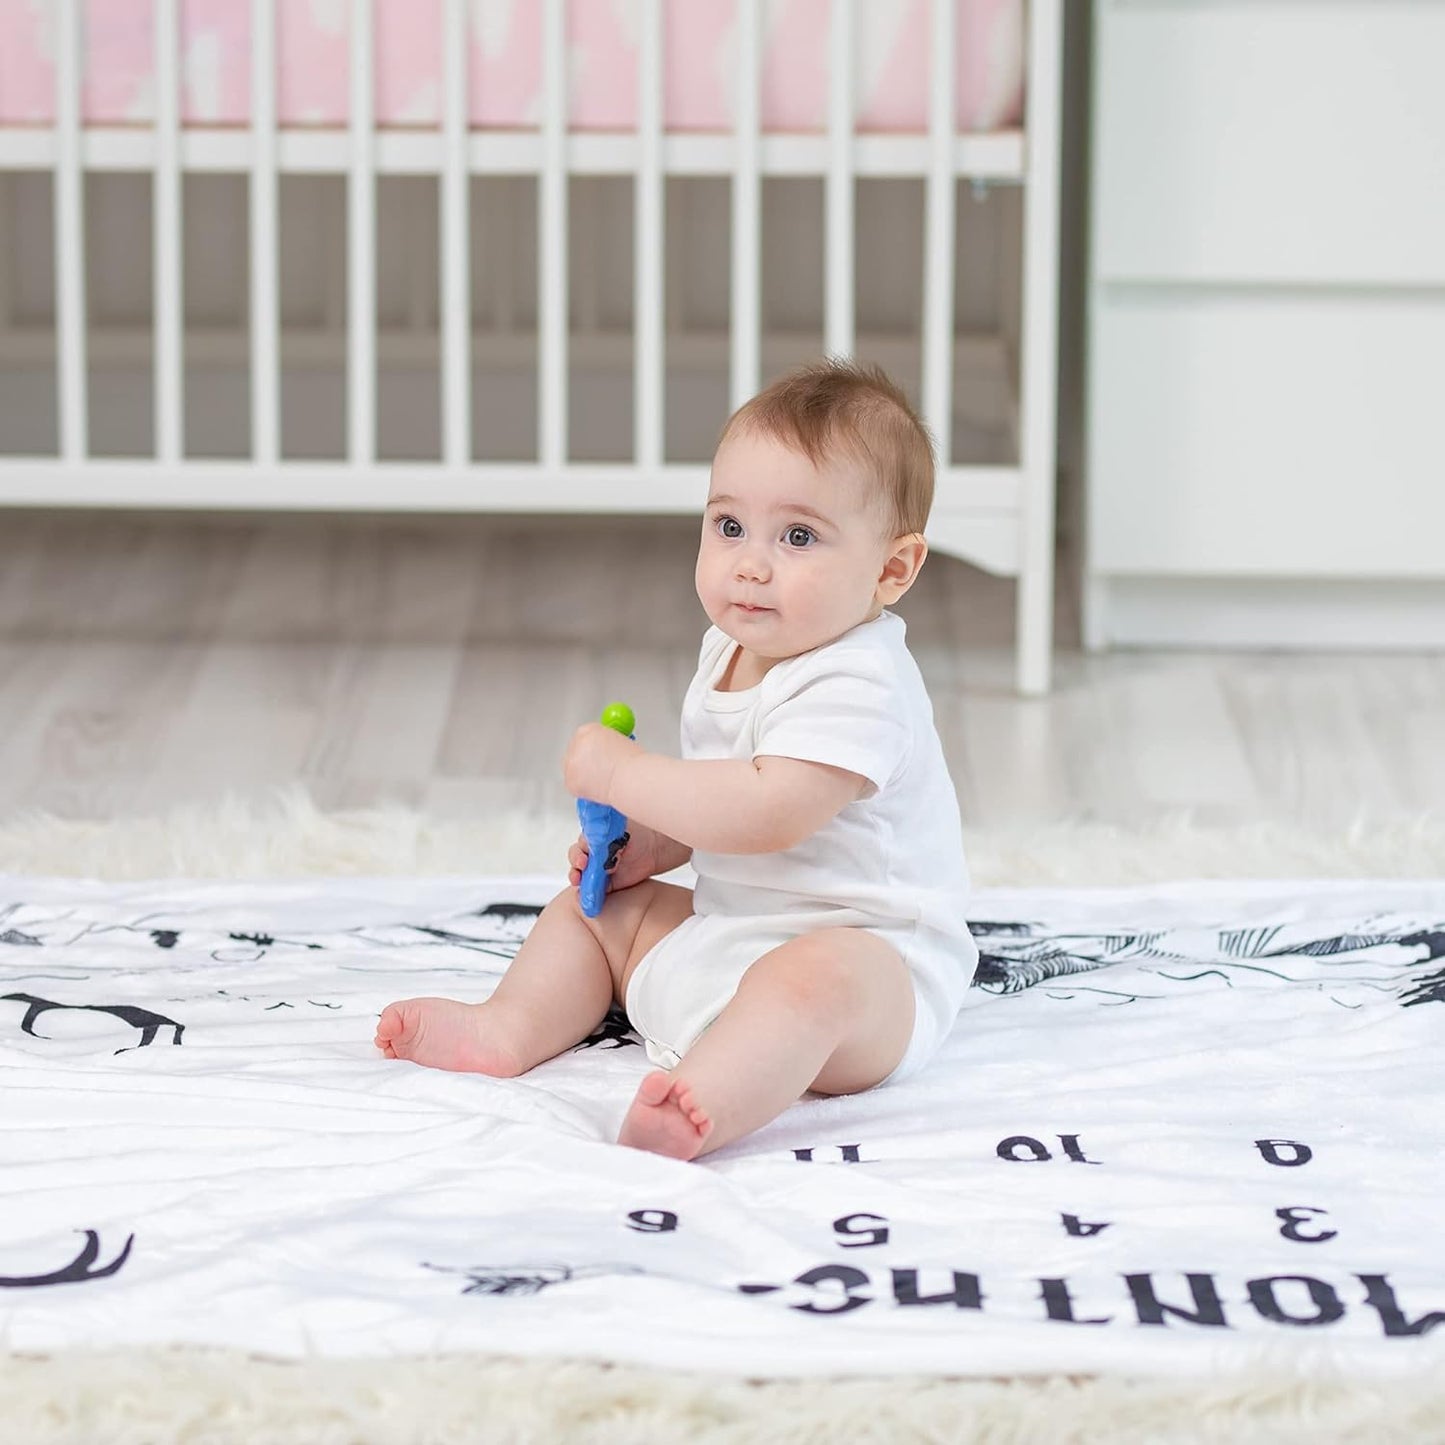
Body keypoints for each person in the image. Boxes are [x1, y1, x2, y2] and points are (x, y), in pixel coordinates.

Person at [374, 359, 978, 1161]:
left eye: (797, 536)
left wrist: (623, 774)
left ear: (891, 569)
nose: (751, 563)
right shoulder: (729, 648)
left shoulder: (860, 679)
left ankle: (705, 1100)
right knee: (594, 917)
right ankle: (505, 1027)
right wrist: (652, 847)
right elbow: (721, 806)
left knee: (813, 980)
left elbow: (768, 810)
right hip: (732, 930)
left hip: (872, 969)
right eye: (729, 526)